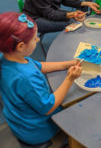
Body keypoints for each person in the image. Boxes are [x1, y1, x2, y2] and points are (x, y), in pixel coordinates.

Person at [0, 12, 82, 145]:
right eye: (34, 39)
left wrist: (65, 64)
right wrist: (69, 79)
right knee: (77, 111)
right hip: (35, 130)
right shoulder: (26, 77)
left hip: (18, 120)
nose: (37, 40)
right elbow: (47, 107)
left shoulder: (8, 58)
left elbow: (38, 65)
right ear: (20, 46)